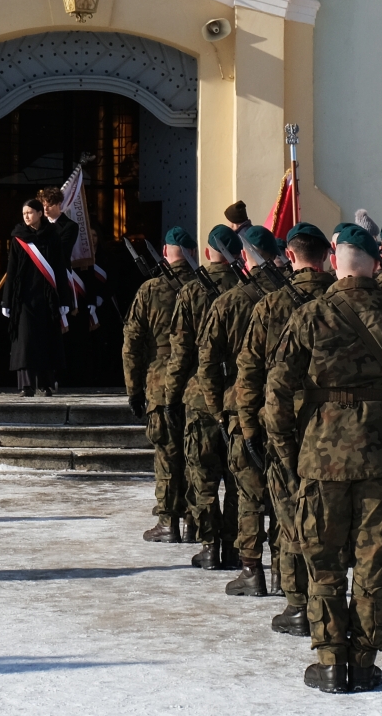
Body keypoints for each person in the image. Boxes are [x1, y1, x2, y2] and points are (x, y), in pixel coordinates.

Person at [263, 222, 382, 694]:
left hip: (320, 458)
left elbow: (277, 391)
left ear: (337, 263)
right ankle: (364, 663)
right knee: (373, 564)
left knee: (322, 563)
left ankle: (329, 662)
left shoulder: (310, 316)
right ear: (372, 263)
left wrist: (288, 450)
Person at [233, 222, 335, 634]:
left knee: (291, 514)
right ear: (328, 255)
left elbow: (249, 373)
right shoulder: (342, 300)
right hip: (336, 427)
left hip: (283, 425)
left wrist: (250, 429)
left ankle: (298, 603)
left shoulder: (271, 306)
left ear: (289, 256)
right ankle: (332, 600)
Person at [191, 225, 281, 573]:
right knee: (283, 493)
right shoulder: (294, 299)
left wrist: (217, 409)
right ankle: (281, 572)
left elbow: (207, 363)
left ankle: (247, 565)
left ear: (246, 256)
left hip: (237, 404)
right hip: (285, 406)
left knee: (246, 491)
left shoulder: (229, 302)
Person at [173, 225, 245, 562]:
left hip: (200, 396)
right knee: (235, 478)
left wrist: (172, 394)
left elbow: (182, 350)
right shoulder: (248, 290)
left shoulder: (190, 291)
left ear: (206, 253)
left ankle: (209, 544)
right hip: (238, 397)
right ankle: (232, 544)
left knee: (201, 474)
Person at [122, 227, 196, 543]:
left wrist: (134, 389)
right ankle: (195, 520)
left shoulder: (150, 290)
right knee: (194, 454)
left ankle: (168, 521)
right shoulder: (202, 288)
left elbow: (132, 345)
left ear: (165, 253)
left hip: (159, 383)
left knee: (167, 453)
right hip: (196, 382)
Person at [2, 200, 65, 397]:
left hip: (47, 297)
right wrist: (7, 300)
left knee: (45, 339)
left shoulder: (52, 236)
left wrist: (63, 300)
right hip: (24, 298)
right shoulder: (18, 238)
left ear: (40, 213)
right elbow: (11, 271)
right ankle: (27, 385)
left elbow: (60, 269)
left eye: (30, 212)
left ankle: (45, 384)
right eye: (24, 213)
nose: (26, 216)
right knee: (26, 341)